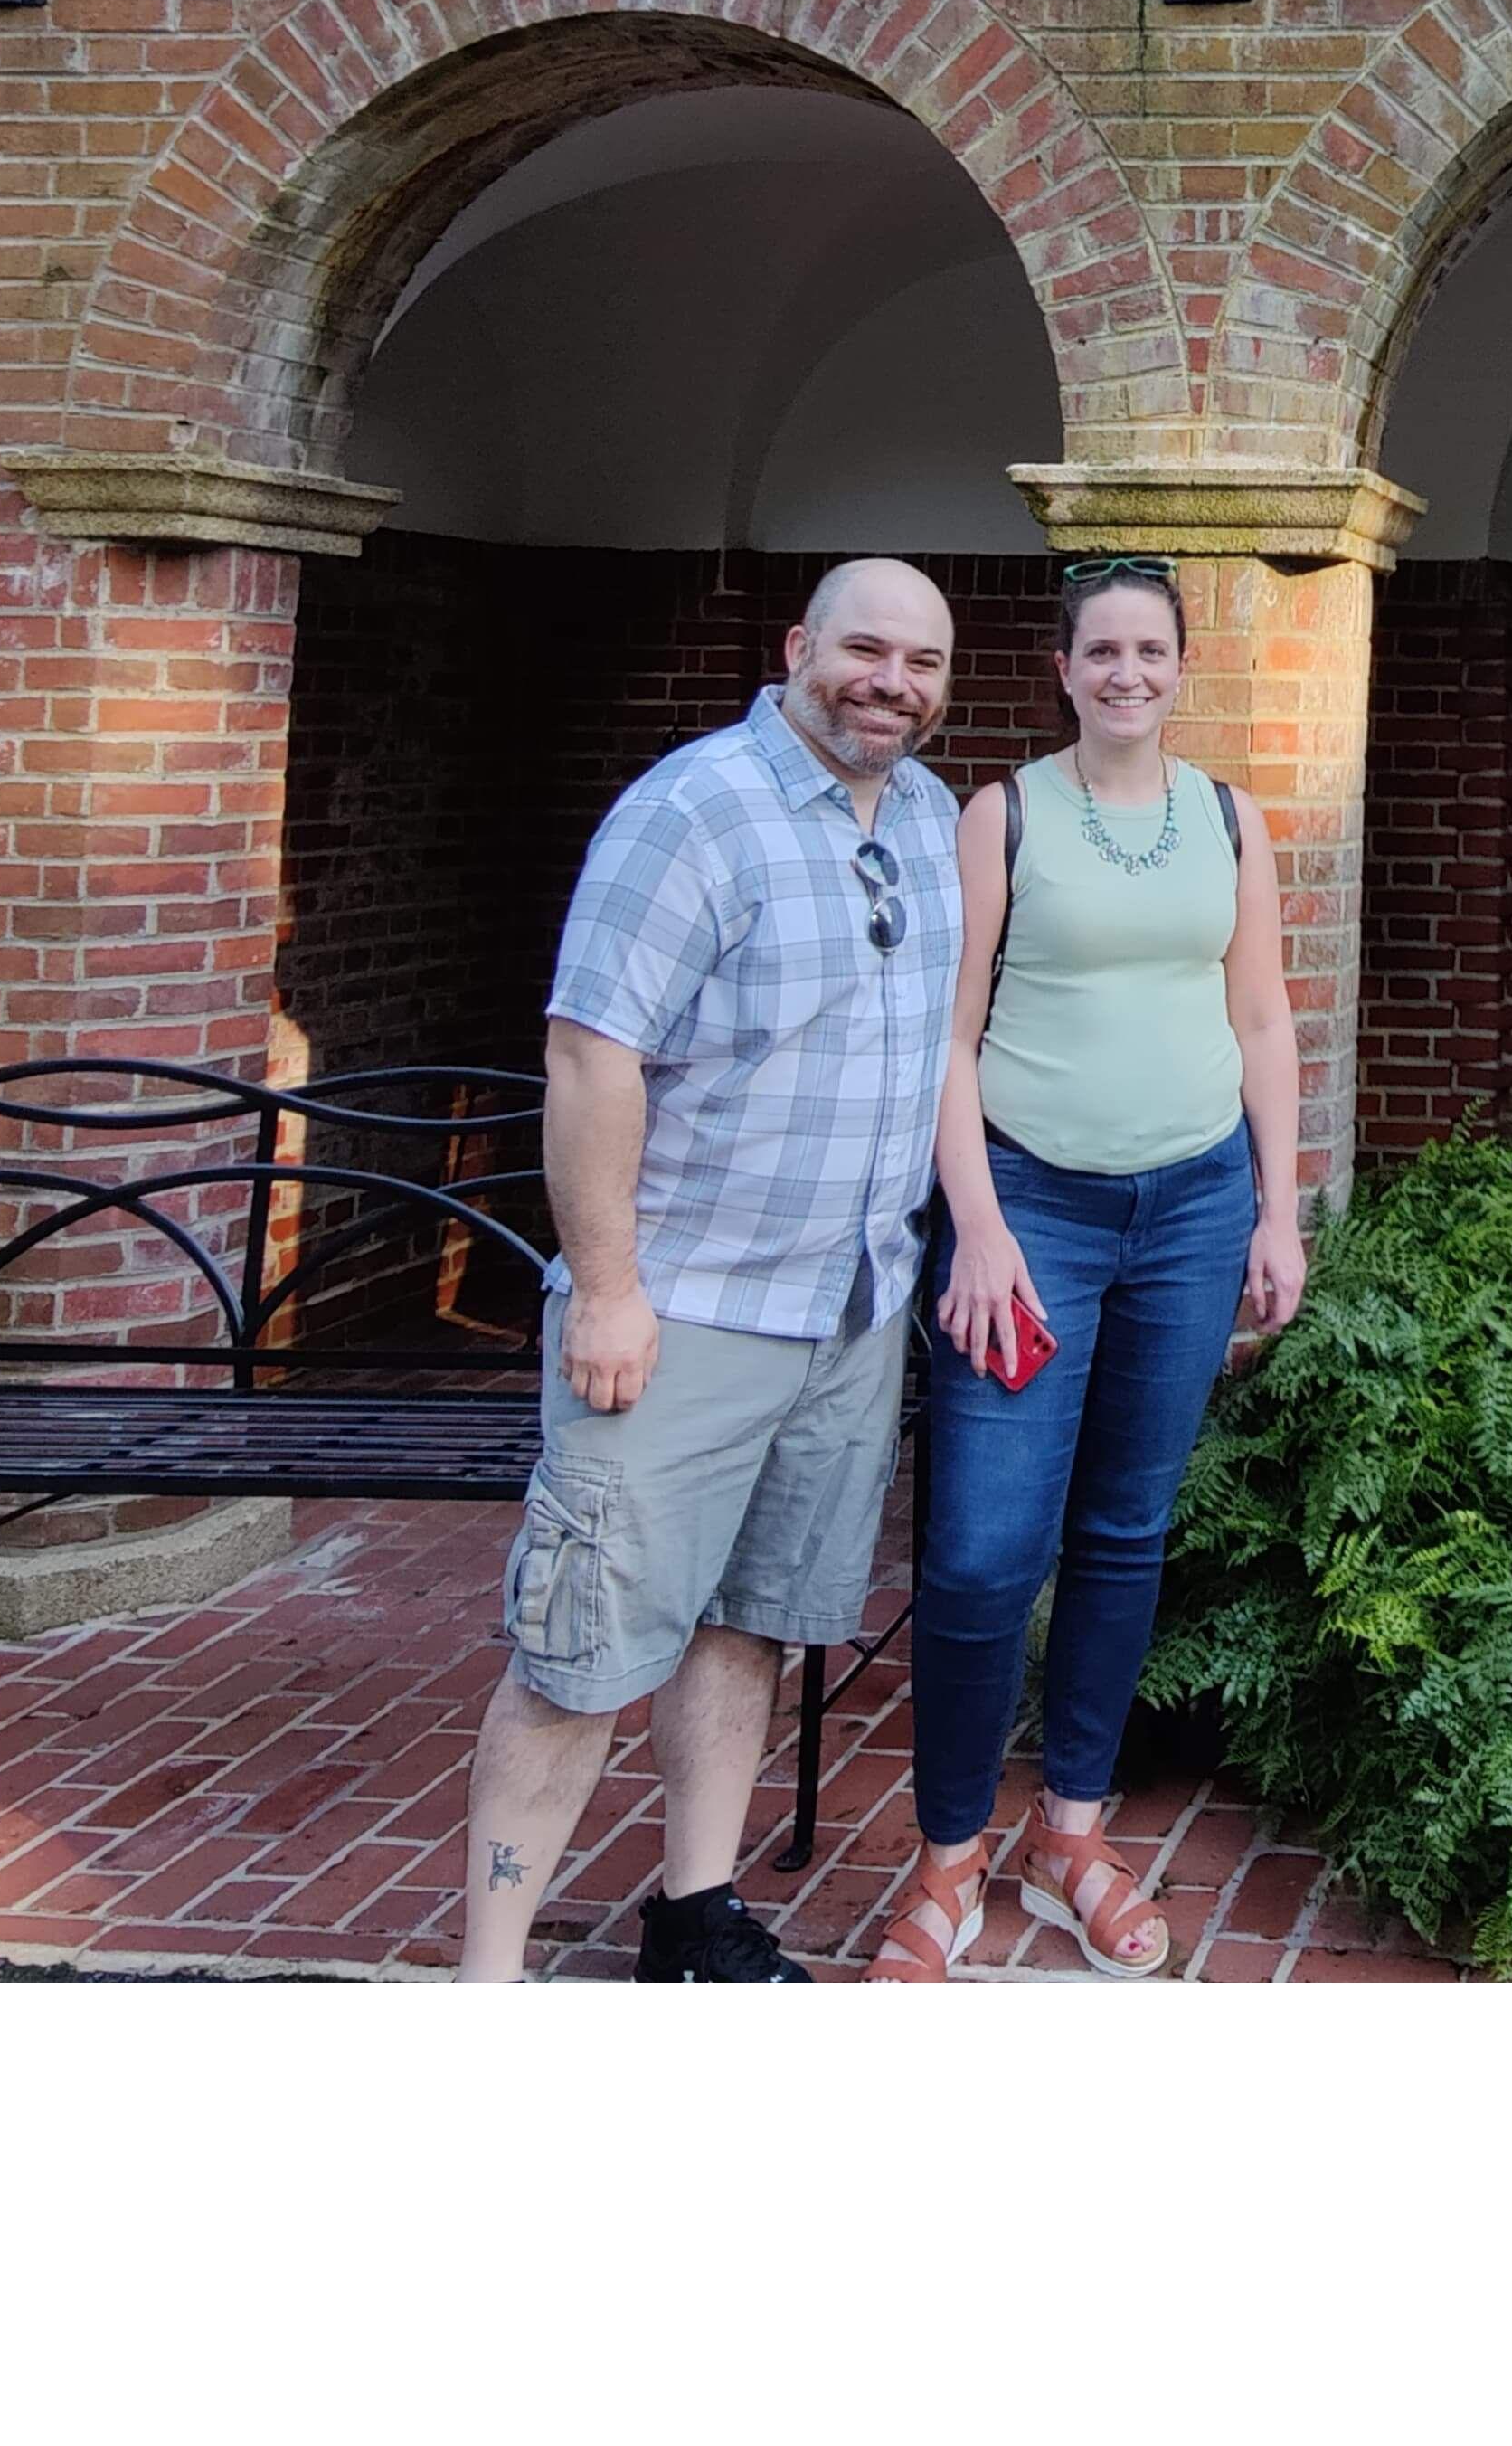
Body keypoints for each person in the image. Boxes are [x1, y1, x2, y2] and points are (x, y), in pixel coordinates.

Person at [458, 557, 963, 1982]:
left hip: (847, 1312)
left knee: (751, 1625)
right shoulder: (694, 810)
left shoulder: (924, 817)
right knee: (581, 1655)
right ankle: (487, 1980)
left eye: (922, 663)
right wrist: (608, 1287)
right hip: (687, 1315)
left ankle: (694, 1911)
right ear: (800, 646)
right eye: (866, 649)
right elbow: (588, 1050)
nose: (893, 683)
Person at [866, 552, 1306, 1981]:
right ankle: (946, 1862)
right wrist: (978, 1224)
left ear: (1182, 671)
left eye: (1150, 653)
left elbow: (1261, 1019)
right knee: (987, 1551)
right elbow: (945, 1032)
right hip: (1031, 1217)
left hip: (1189, 1209)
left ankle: (1073, 1831)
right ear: (1062, 671)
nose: (1126, 674)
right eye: (1100, 652)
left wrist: (1275, 1210)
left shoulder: (1231, 820)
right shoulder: (1003, 816)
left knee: (1125, 1534)